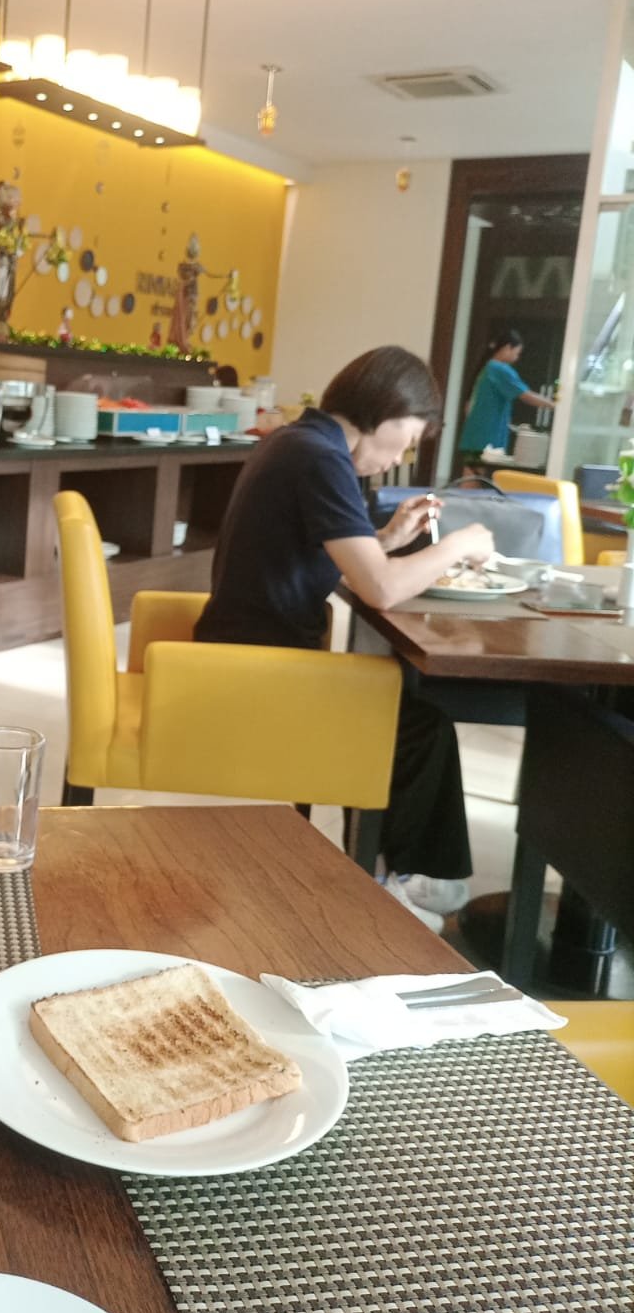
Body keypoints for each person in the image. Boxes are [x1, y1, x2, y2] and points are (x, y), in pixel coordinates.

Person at [194, 345, 496, 933]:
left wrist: (388, 537)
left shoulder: (300, 442)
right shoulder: (319, 459)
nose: (400, 457)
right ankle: (404, 885)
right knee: (416, 727)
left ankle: (409, 874)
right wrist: (459, 544)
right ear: (385, 411)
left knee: (408, 717)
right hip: (252, 673)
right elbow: (379, 589)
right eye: (407, 440)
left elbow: (337, 562)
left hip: (239, 654)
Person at [459, 332, 555, 468]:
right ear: (507, 348)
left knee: (472, 474)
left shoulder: (487, 367)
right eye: (517, 353)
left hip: (476, 434)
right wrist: (553, 405)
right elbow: (525, 395)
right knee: (478, 475)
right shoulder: (499, 369)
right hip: (487, 437)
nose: (517, 358)